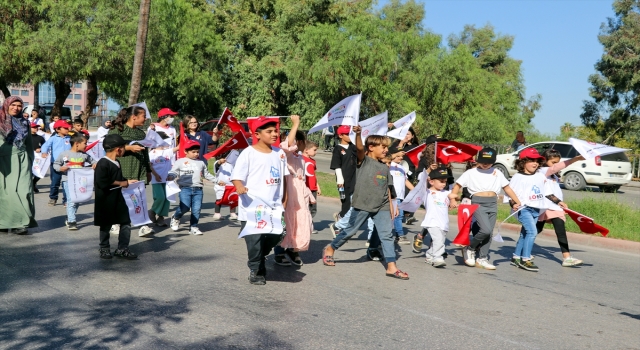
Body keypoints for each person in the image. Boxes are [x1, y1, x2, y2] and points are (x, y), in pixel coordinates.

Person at [322, 128, 409, 280]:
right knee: (350, 231)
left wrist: (393, 206)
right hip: (362, 204)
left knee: (387, 235)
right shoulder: (363, 161)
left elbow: (388, 188)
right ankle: (330, 248)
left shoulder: (384, 166)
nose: (386, 150)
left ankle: (391, 266)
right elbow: (360, 148)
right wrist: (357, 134)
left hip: (381, 206)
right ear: (371, 147)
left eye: (387, 147)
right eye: (383, 147)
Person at [231, 116, 289, 285]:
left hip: (274, 206)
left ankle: (258, 258)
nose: (274, 134)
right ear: (257, 134)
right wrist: (239, 187)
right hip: (252, 207)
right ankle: (255, 270)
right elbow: (236, 177)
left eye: (275, 131)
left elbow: (284, 179)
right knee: (255, 240)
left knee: (277, 235)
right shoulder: (248, 153)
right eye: (269, 131)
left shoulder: (280, 153)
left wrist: (284, 199)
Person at [448, 148, 521, 270]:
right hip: (477, 203)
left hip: (493, 203)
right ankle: (470, 248)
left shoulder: (497, 172)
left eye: (489, 161)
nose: (485, 163)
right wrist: (452, 199)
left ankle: (482, 258)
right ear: (478, 160)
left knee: (489, 233)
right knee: (485, 230)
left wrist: (516, 201)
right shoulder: (471, 173)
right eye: (482, 161)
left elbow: (507, 188)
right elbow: (457, 186)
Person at [506, 148, 564, 272]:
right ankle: (525, 259)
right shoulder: (517, 177)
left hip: (536, 208)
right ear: (522, 162)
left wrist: (559, 202)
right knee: (532, 232)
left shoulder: (539, 176)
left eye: (537, 161)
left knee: (525, 233)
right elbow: (510, 193)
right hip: (524, 209)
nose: (535, 163)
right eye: (531, 160)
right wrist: (513, 204)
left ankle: (516, 257)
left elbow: (547, 192)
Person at [275, 115, 315, 266]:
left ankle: (293, 250)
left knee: (299, 221)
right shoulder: (287, 154)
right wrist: (295, 124)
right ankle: (279, 252)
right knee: (286, 221)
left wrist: (309, 194)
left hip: (299, 194)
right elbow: (287, 145)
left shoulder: (301, 158)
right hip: (289, 191)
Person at [109, 106, 155, 237]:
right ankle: (115, 223)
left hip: (139, 168)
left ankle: (143, 225)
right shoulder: (117, 130)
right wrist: (128, 147)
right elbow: (108, 146)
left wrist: (148, 170)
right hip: (122, 167)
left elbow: (145, 152)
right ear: (134, 117)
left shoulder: (141, 133)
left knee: (139, 197)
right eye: (143, 116)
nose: (145, 119)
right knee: (120, 197)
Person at [537, 149, 585, 267]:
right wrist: (575, 159)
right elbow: (547, 191)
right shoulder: (542, 171)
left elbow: (554, 191)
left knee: (560, 231)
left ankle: (567, 257)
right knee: (535, 230)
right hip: (544, 206)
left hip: (554, 206)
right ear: (544, 161)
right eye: (553, 162)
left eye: (557, 162)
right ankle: (521, 250)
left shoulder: (554, 176)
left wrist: (560, 203)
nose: (556, 165)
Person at [94, 134, 138, 260]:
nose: (124, 149)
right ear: (118, 149)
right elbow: (102, 181)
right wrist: (122, 183)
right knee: (106, 225)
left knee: (125, 222)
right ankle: (104, 248)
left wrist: (128, 181)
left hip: (119, 199)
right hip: (106, 200)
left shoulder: (117, 162)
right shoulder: (102, 163)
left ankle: (122, 248)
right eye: (124, 147)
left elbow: (119, 178)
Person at [0, 96, 37, 234]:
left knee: (24, 190)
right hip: (3, 159)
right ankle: (4, 222)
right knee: (5, 193)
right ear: (7, 105)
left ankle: (21, 222)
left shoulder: (25, 122)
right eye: (13, 105)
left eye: (19, 105)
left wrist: (29, 160)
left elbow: (28, 143)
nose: (16, 108)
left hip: (22, 159)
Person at [167, 140, 217, 235]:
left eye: (197, 152)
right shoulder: (180, 162)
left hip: (198, 189)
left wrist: (217, 180)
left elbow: (206, 174)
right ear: (186, 151)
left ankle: (193, 227)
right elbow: (174, 171)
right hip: (185, 188)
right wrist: (171, 176)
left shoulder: (201, 163)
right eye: (193, 152)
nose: (196, 154)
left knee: (196, 209)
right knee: (184, 207)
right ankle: (176, 217)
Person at [53, 134, 97, 230]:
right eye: (85, 143)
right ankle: (72, 221)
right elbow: (55, 164)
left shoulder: (84, 155)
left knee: (77, 201)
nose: (86, 145)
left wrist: (94, 165)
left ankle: (69, 216)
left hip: (80, 182)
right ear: (77, 144)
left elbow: (94, 162)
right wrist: (61, 168)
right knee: (71, 201)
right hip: (67, 181)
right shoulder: (64, 154)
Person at [421, 167, 454, 267]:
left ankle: (430, 255)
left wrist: (453, 200)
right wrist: (429, 171)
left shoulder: (446, 192)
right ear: (431, 181)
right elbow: (421, 179)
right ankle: (438, 258)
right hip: (432, 221)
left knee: (439, 241)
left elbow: (454, 195)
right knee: (438, 240)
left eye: (445, 181)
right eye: (441, 181)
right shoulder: (426, 193)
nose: (444, 184)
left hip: (443, 222)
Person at [41, 119, 72, 206]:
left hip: (67, 164)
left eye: (67, 128)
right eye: (65, 128)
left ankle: (66, 200)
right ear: (58, 129)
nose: (67, 129)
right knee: (55, 182)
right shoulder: (53, 138)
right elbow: (45, 145)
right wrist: (44, 152)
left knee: (67, 183)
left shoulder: (70, 138)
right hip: (55, 164)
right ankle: (53, 198)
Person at [147, 131, 173, 227]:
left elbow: (178, 148)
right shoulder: (152, 153)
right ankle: (152, 212)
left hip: (167, 179)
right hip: (156, 179)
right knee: (160, 197)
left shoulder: (167, 151)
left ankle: (161, 218)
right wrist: (156, 175)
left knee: (166, 199)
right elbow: (149, 166)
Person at [389, 152, 414, 244]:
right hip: (392, 195)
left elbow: (405, 180)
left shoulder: (402, 167)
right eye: (398, 156)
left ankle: (394, 235)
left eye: (401, 156)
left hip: (400, 196)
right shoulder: (388, 165)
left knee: (397, 215)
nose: (400, 158)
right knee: (398, 216)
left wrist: (414, 190)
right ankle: (400, 235)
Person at [302, 141, 321, 234]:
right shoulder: (300, 159)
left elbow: (314, 175)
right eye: (314, 150)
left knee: (313, 208)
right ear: (306, 150)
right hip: (305, 188)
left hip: (313, 188)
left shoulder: (313, 161)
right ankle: (308, 225)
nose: (316, 152)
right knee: (304, 207)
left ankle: (308, 222)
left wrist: (318, 187)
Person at [213, 156, 236, 220]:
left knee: (232, 199)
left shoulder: (231, 164)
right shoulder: (216, 163)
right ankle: (217, 213)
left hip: (231, 184)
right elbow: (216, 166)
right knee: (219, 199)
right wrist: (220, 161)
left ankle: (233, 213)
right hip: (220, 185)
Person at [30, 122, 46, 193]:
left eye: (36, 127)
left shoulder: (40, 138)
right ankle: (30, 186)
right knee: (30, 173)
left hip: (38, 158)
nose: (35, 128)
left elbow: (45, 147)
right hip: (29, 157)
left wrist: (41, 149)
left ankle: (33, 183)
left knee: (40, 172)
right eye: (33, 127)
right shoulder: (26, 137)